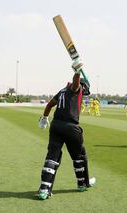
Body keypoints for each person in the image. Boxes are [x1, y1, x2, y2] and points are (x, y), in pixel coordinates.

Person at [37, 60, 95, 200]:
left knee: (52, 156)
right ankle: (82, 184)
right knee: (79, 156)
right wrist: (76, 71)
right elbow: (76, 85)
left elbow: (50, 105)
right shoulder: (76, 87)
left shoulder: (61, 91)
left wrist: (44, 118)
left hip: (56, 126)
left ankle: (44, 190)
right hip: (71, 127)